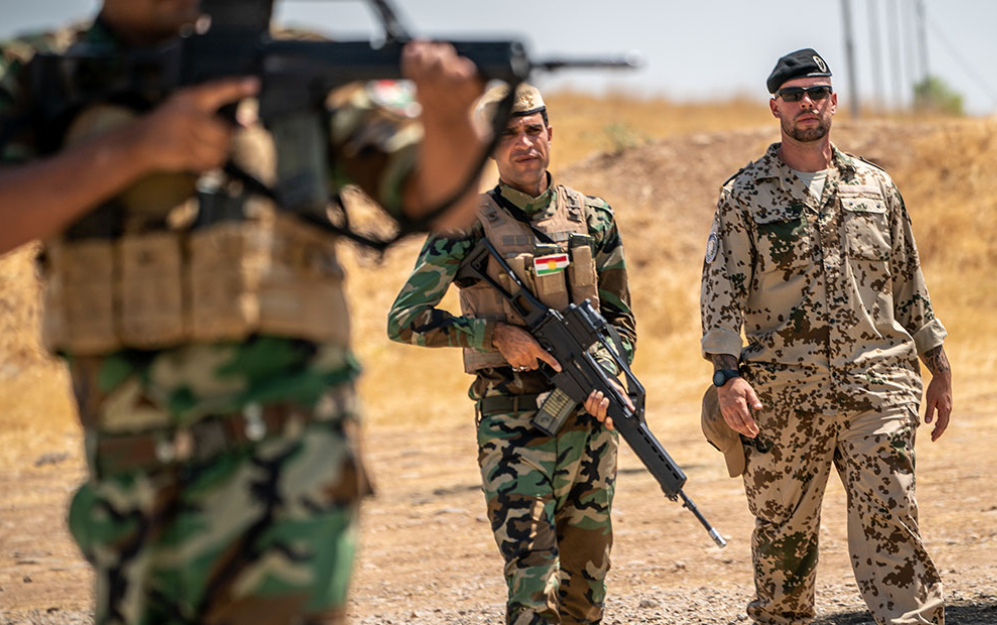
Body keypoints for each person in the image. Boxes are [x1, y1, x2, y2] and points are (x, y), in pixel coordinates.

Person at [0, 0, 486, 622]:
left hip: (290, 469)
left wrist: (450, 119)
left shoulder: (294, 64)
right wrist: (137, 148)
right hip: (128, 480)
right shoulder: (40, 70)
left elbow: (443, 203)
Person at [699, 48, 953, 625]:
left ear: (833, 100)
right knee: (784, 544)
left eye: (817, 92)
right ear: (775, 107)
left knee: (893, 522)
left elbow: (909, 280)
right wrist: (726, 376)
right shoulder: (744, 194)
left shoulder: (876, 186)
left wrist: (936, 364)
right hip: (783, 397)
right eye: (794, 95)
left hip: (877, 386)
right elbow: (721, 292)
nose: (806, 103)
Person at [387, 83, 635, 625]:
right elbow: (404, 322)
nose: (524, 143)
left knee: (586, 596)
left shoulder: (593, 218)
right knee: (532, 593)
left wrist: (611, 376)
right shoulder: (463, 225)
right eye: (508, 135)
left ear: (549, 134)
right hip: (513, 430)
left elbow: (621, 322)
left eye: (532, 130)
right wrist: (493, 335)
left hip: (590, 426)